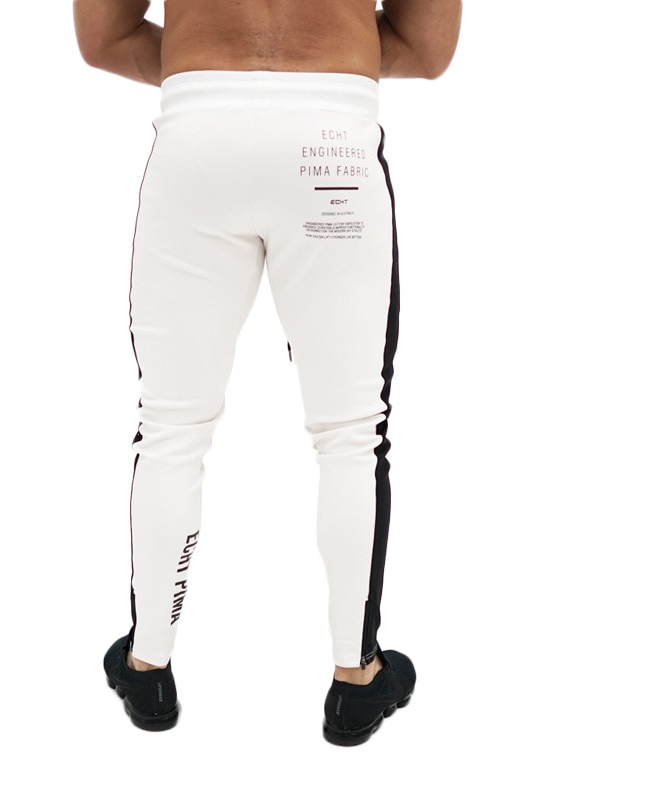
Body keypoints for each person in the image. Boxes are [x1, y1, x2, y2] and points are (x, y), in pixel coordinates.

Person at [73, 0, 462, 746]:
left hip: (199, 135)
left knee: (171, 428)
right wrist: (323, 62)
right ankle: (357, 678)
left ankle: (148, 665)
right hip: (330, 136)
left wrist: (217, 73)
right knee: (350, 435)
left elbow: (104, 38)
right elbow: (428, 48)